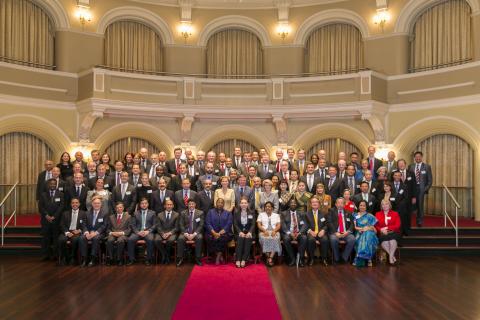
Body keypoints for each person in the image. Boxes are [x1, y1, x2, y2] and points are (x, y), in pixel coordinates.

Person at [39, 178, 64, 261]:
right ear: (48, 185)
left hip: (56, 220)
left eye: (54, 184)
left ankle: (55, 255)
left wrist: (54, 216)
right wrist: (46, 215)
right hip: (45, 220)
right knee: (45, 238)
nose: (52, 185)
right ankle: (45, 255)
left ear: (56, 185)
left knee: (56, 238)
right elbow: (41, 207)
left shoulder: (61, 194)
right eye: (51, 184)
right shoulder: (43, 195)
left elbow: (61, 207)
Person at [79, 196, 107, 267]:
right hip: (88, 232)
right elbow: (84, 224)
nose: (96, 205)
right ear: (92, 204)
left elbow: (104, 226)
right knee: (82, 238)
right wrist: (87, 232)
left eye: (98, 203)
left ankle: (93, 258)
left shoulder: (105, 213)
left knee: (96, 238)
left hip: (99, 233)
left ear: (101, 204)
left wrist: (95, 233)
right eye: (95, 203)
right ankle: (84, 259)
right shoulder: (87, 213)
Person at [127, 198, 156, 266]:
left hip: (148, 232)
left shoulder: (153, 213)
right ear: (140, 205)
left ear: (148, 204)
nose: (144, 205)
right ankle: (132, 259)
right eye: (142, 203)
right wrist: (137, 232)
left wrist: (148, 231)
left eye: (145, 203)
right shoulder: (135, 213)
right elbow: (132, 225)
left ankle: (148, 259)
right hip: (138, 232)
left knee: (150, 240)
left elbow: (155, 225)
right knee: (130, 239)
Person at [176, 199, 204, 267]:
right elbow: (181, 225)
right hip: (185, 233)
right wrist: (186, 233)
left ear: (195, 204)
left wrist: (194, 234)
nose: (191, 205)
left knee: (200, 238)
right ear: (187, 205)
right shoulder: (183, 213)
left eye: (192, 204)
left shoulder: (200, 213)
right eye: (190, 204)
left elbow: (201, 225)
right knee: (180, 238)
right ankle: (180, 258)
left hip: (196, 233)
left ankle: (198, 258)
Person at [328, 197, 355, 265]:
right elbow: (329, 222)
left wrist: (348, 232)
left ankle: (344, 257)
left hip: (346, 233)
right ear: (336, 204)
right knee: (333, 239)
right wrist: (335, 232)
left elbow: (352, 224)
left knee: (352, 239)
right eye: (338, 203)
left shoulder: (348, 212)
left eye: (342, 203)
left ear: (344, 204)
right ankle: (336, 258)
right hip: (335, 233)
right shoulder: (331, 211)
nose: (340, 205)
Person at [408, 151, 432, 227]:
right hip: (412, 189)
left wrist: (425, 189)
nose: (417, 158)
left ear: (421, 157)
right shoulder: (410, 166)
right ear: (414, 158)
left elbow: (430, 180)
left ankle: (419, 221)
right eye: (416, 157)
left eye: (419, 156)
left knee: (420, 205)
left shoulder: (427, 167)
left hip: (421, 189)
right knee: (410, 205)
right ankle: (408, 221)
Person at [58, 197, 84, 265]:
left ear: (79, 204)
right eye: (73, 203)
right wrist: (67, 232)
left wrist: (79, 230)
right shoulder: (65, 213)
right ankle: (64, 258)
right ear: (70, 204)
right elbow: (61, 225)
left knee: (75, 239)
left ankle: (73, 258)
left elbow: (85, 225)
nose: (74, 204)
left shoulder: (84, 213)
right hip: (67, 231)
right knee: (61, 239)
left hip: (77, 232)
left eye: (76, 203)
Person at [205, 198, 233, 265]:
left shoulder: (228, 213)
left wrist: (219, 234)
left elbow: (228, 224)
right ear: (216, 203)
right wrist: (214, 233)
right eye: (218, 202)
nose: (220, 204)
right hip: (212, 233)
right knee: (210, 238)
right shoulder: (210, 212)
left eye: (221, 203)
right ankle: (220, 256)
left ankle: (218, 256)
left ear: (223, 204)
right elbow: (207, 223)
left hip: (224, 233)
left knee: (222, 238)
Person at [281, 198, 307, 267]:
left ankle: (301, 259)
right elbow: (283, 226)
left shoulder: (302, 213)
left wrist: (300, 233)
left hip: (299, 232)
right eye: (291, 203)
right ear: (289, 204)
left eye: (294, 203)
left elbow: (305, 224)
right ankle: (292, 258)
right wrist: (289, 233)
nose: (293, 204)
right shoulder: (284, 213)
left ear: (297, 205)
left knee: (304, 238)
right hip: (289, 233)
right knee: (286, 239)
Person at [375, 199, 402, 266]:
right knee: (385, 242)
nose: (385, 206)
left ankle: (390, 257)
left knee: (392, 241)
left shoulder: (395, 213)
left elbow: (398, 225)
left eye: (386, 204)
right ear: (381, 206)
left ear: (389, 205)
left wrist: (387, 228)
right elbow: (375, 225)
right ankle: (392, 256)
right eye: (383, 204)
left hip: (394, 232)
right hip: (382, 233)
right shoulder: (377, 214)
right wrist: (381, 230)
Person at [353, 200, 378, 268]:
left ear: (366, 207)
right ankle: (368, 258)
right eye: (361, 205)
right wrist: (362, 229)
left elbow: (375, 230)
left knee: (368, 234)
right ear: (358, 206)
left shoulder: (370, 216)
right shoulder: (355, 215)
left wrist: (368, 228)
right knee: (365, 235)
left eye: (364, 205)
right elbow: (354, 227)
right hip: (358, 232)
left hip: (369, 232)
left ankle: (360, 257)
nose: (362, 207)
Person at [305, 196, 329, 266]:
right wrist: (310, 231)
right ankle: (311, 258)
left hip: (320, 233)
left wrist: (323, 230)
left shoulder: (324, 213)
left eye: (316, 202)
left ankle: (324, 259)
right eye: (313, 202)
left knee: (325, 239)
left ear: (319, 204)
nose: (314, 203)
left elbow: (327, 224)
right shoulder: (306, 214)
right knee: (310, 240)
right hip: (311, 233)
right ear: (310, 204)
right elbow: (305, 225)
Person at [155, 199, 180, 265]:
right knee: (156, 240)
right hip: (161, 233)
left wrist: (169, 233)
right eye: (167, 205)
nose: (169, 206)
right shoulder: (159, 215)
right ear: (164, 206)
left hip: (172, 233)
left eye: (170, 205)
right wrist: (162, 234)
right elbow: (158, 227)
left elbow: (177, 227)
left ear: (173, 206)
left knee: (170, 240)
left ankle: (167, 256)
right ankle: (164, 255)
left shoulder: (177, 215)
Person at [257, 201, 282, 267]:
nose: (268, 208)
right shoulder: (261, 214)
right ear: (264, 208)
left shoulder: (276, 215)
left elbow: (279, 225)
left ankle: (270, 257)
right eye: (266, 206)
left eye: (269, 206)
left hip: (274, 231)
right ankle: (269, 257)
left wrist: (274, 231)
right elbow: (259, 225)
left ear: (272, 208)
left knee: (276, 238)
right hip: (263, 231)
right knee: (264, 239)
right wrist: (264, 231)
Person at [233, 197, 255, 268]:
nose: (243, 204)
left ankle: (244, 259)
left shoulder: (251, 212)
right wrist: (240, 232)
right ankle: (238, 259)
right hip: (239, 233)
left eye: (245, 203)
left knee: (248, 238)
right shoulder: (236, 213)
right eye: (242, 203)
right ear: (239, 204)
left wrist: (250, 232)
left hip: (249, 232)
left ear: (247, 204)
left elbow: (253, 224)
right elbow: (235, 224)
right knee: (240, 238)